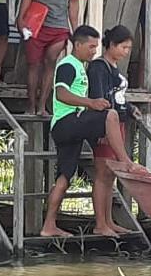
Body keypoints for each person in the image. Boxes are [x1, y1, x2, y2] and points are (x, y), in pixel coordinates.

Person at [41, 26, 145, 237]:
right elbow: (60, 94)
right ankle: (126, 161)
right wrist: (90, 102)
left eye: (96, 47)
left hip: (72, 124)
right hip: (67, 121)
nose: (94, 51)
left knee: (64, 177)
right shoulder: (68, 64)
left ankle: (48, 226)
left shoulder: (80, 66)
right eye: (90, 47)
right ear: (77, 45)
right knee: (110, 116)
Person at [17, 0, 84, 116]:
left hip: (60, 24)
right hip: (36, 22)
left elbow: (74, 1)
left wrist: (75, 29)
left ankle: (42, 106)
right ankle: (31, 105)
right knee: (34, 64)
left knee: (51, 60)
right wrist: (21, 18)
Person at [87, 25, 141, 236]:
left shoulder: (114, 67)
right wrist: (102, 129)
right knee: (102, 172)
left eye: (128, 48)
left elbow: (117, 97)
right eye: (123, 47)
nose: (126, 52)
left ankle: (109, 220)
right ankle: (100, 223)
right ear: (111, 45)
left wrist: (130, 108)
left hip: (118, 122)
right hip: (106, 123)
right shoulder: (99, 67)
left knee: (111, 175)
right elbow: (99, 97)